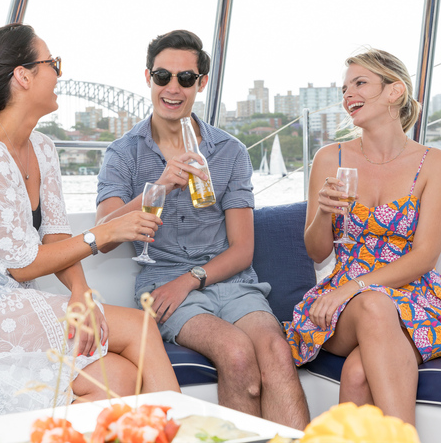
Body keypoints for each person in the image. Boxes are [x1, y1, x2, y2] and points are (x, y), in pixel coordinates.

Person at [0, 23, 179, 412]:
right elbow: (22, 266)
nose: (59, 72)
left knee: (121, 377)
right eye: (52, 63)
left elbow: (55, 238)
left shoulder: (42, 146)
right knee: (140, 327)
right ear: (23, 76)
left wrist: (81, 292)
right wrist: (104, 233)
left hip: (9, 298)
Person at [96, 30, 309, 429]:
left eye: (186, 78)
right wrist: (158, 186)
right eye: (163, 77)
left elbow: (243, 250)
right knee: (236, 352)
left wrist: (191, 280)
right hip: (162, 284)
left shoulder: (229, 151)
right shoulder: (123, 153)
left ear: (202, 83)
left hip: (229, 281)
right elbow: (103, 236)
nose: (173, 88)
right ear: (148, 77)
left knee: (278, 351)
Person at [284, 49, 441, 424]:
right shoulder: (330, 158)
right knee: (374, 306)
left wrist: (353, 287)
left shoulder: (434, 163)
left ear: (395, 92)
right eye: (344, 88)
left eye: (360, 83)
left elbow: (425, 257)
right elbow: (317, 252)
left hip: (411, 292)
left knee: (358, 373)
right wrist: (324, 212)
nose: (348, 95)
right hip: (349, 306)